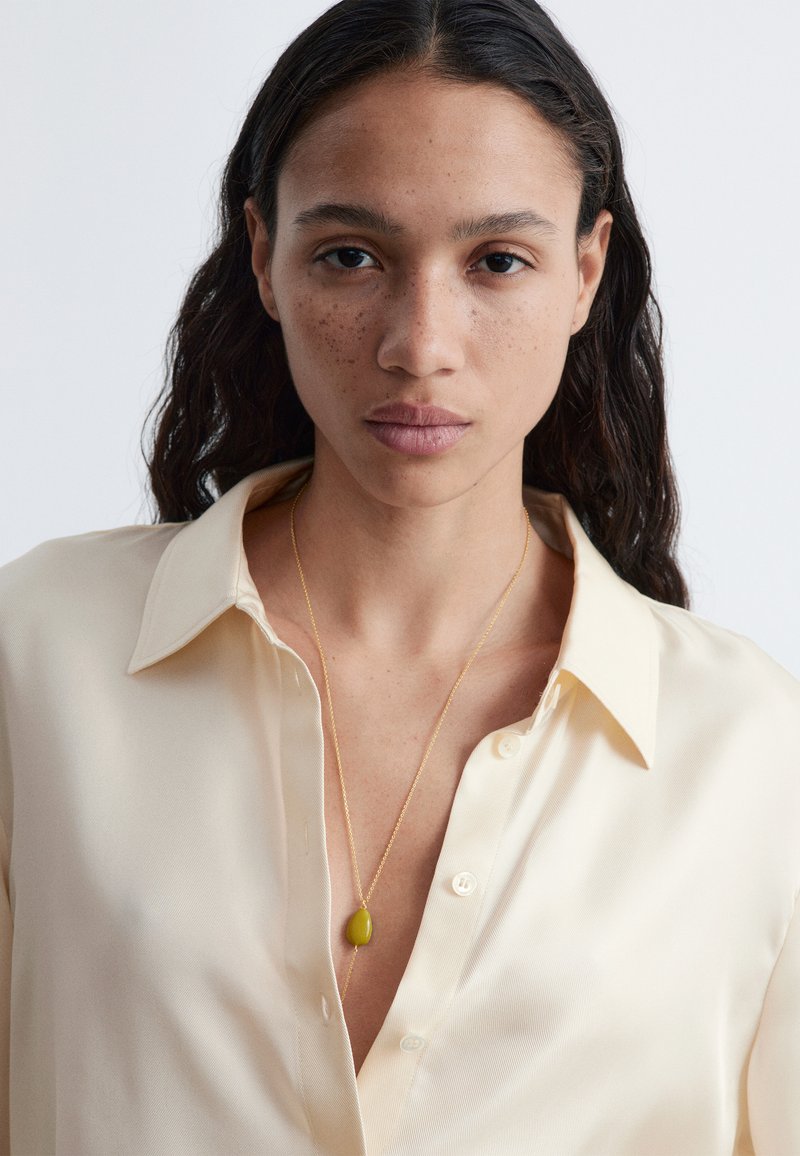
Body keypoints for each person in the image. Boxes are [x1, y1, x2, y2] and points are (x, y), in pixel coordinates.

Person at [0, 0, 797, 1152]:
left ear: (584, 272)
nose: (418, 341)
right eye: (350, 255)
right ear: (263, 258)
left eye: (496, 261)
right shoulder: (38, 656)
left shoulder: (752, 756)